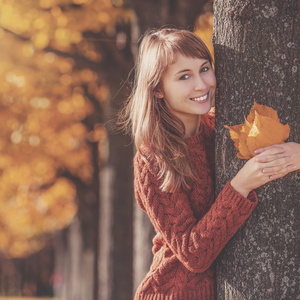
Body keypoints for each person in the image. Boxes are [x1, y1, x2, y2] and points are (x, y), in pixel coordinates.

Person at [119, 28, 300, 300]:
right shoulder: (153, 158)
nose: (201, 85)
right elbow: (193, 254)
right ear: (157, 89)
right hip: (175, 293)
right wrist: (242, 184)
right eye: (184, 77)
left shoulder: (220, 127)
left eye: (204, 69)